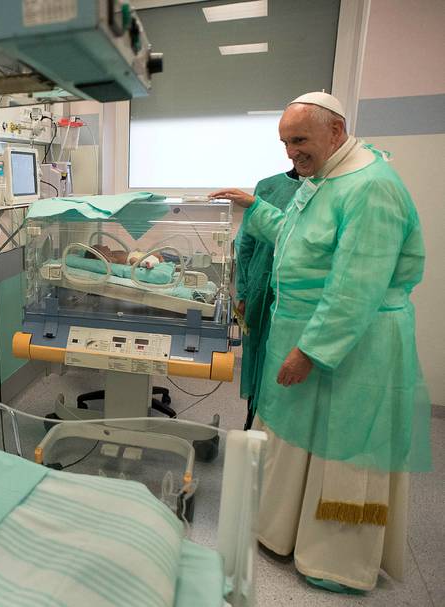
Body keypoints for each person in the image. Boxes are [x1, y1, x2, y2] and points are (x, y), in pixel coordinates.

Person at [211, 92, 430, 593]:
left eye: (299, 140)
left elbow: (357, 286)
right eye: (285, 143)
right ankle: (282, 531)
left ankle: (337, 562)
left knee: (344, 452)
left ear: (335, 131)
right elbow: (297, 237)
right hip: (308, 331)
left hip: (354, 345)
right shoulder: (325, 178)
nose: (291, 153)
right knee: (297, 439)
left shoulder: (371, 187)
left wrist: (311, 350)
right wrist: (254, 206)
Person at [234, 169, 301, 430]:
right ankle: (253, 420)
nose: (294, 152)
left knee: (285, 362)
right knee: (256, 355)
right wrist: (243, 292)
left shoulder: (329, 188)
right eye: (288, 147)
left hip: (297, 297)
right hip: (259, 290)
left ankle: (276, 428)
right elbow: (245, 243)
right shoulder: (268, 187)